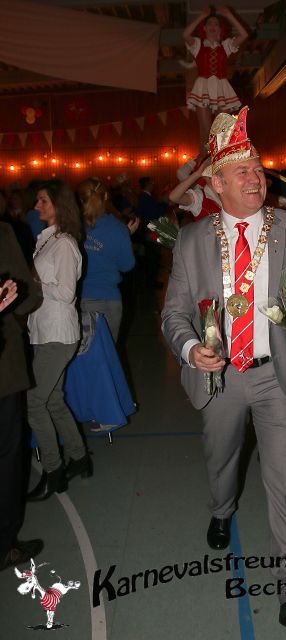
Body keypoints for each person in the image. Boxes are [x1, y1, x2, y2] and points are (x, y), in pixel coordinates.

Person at [162, 106, 286, 630]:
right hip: (219, 376)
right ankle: (222, 508)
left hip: (278, 374)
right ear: (216, 184)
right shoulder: (191, 240)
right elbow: (173, 313)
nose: (256, 178)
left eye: (257, 169)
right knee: (222, 460)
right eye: (242, 171)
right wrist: (190, 349)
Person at [27, 180, 90, 501]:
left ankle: (53, 472)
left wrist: (35, 284)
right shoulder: (49, 240)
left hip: (57, 334)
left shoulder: (64, 243)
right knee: (52, 400)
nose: (36, 206)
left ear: (58, 204)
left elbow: (65, 293)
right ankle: (80, 458)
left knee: (33, 402)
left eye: (43, 201)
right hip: (45, 330)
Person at [0, 224, 43, 569]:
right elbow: (27, 296)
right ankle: (4, 545)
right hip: (3, 370)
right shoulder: (2, 234)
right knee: (7, 459)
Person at [77, 177, 137, 342]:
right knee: (107, 351)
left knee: (83, 352)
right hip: (108, 298)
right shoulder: (117, 228)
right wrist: (126, 237)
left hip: (79, 297)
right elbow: (127, 265)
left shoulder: (74, 227)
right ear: (105, 197)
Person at [183, 5, 248, 152]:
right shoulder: (198, 45)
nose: (213, 26)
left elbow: (244, 35)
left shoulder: (226, 46)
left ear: (220, 29)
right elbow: (185, 34)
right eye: (209, 23)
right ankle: (203, 159)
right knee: (205, 131)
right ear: (204, 28)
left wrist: (229, 15)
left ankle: (220, 160)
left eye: (216, 24)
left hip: (221, 87)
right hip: (203, 87)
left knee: (222, 130)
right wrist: (201, 16)